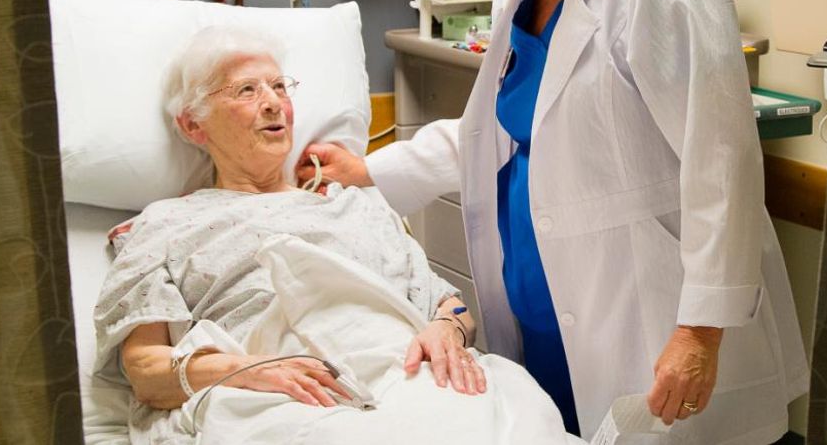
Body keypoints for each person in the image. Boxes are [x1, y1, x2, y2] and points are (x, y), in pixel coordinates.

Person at [297, 0, 809, 443]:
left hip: (648, 316)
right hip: (551, 328)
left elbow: (722, 162)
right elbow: (504, 131)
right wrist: (367, 168)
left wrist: (699, 330)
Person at [91, 26, 579, 444]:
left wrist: (447, 330)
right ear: (192, 124)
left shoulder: (353, 206)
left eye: (280, 87)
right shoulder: (165, 225)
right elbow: (146, 371)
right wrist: (245, 371)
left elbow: (447, 307)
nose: (273, 104)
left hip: (407, 373)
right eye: (246, 91)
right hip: (281, 389)